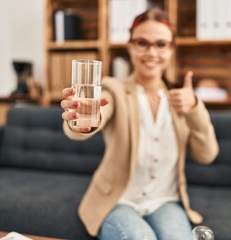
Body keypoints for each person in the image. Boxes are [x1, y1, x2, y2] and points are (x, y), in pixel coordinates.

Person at [60, 8, 219, 240]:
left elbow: (207, 155)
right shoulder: (113, 88)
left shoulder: (181, 100)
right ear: (130, 46)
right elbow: (99, 111)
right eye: (142, 43)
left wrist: (195, 107)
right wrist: (81, 119)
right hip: (118, 200)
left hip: (165, 201)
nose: (151, 52)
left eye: (161, 44)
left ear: (172, 49)